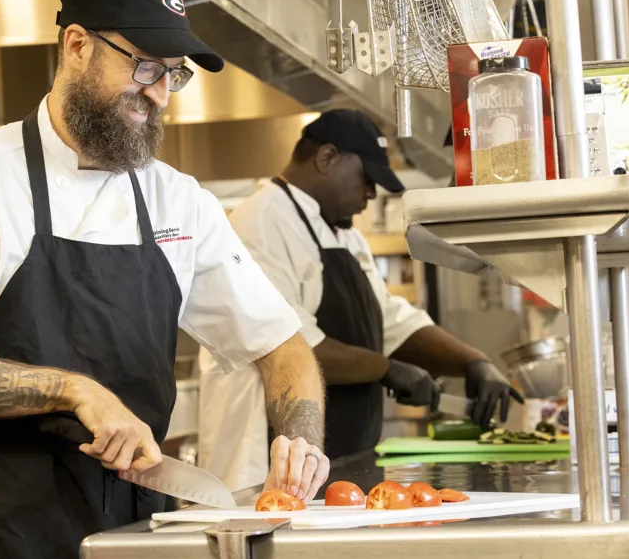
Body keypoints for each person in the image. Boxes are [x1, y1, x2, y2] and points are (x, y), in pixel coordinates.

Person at [0, 0, 329, 559]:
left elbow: (281, 345)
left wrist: (299, 438)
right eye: (144, 67)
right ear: (77, 46)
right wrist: (71, 391)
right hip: (8, 537)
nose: (160, 94)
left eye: (173, 75)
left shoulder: (179, 201)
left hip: (141, 534)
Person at [198, 108, 521, 491]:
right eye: (367, 180)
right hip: (265, 465)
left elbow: (390, 318)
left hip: (340, 456)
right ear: (326, 158)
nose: (371, 194)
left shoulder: (343, 232)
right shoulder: (260, 223)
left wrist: (471, 362)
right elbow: (291, 344)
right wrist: (386, 369)